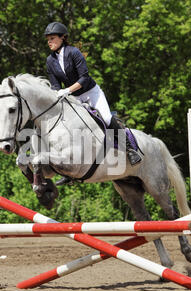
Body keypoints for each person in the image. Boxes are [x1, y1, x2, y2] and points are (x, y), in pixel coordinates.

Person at [44, 22, 142, 184]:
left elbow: (84, 78)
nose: (49, 41)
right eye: (48, 39)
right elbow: (55, 86)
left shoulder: (74, 52)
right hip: (73, 98)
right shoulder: (50, 60)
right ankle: (70, 171)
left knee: (108, 118)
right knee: (69, 127)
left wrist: (67, 90)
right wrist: (58, 94)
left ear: (63, 38)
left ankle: (131, 150)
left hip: (91, 93)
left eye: (52, 38)